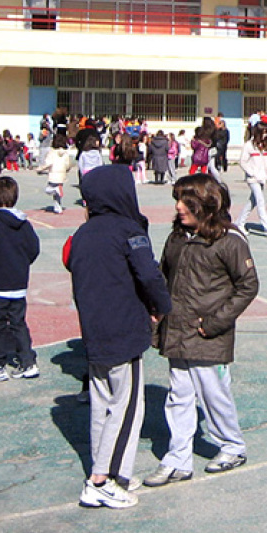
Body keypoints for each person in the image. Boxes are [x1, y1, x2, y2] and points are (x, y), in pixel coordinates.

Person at [65, 165, 171, 510]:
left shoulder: (82, 234)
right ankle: (102, 479)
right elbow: (149, 275)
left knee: (102, 406)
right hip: (123, 329)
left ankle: (114, 469)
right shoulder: (128, 230)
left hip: (93, 331)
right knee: (126, 408)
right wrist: (161, 306)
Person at [143, 174, 260, 487]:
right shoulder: (178, 238)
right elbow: (163, 274)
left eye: (186, 201)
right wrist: (157, 310)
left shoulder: (229, 240)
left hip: (208, 334)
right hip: (177, 331)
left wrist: (214, 322)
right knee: (178, 396)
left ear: (206, 205)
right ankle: (178, 458)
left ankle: (232, 446)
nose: (179, 207)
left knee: (213, 394)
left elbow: (248, 285)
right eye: (177, 200)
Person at [0, 177, 42, 381]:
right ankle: (27, 362)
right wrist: (21, 264)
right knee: (18, 323)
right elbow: (33, 249)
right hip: (19, 283)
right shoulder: (25, 224)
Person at [237, 123, 267, 237]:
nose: (265, 135)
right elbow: (242, 162)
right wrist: (251, 173)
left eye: (266, 132)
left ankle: (239, 223)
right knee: (260, 201)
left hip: (262, 178)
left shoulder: (265, 145)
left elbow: (265, 162)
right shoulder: (249, 145)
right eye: (262, 132)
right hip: (253, 179)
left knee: (252, 202)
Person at [38, 134, 75, 214]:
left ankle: (55, 191)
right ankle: (58, 208)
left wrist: (40, 168)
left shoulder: (52, 152)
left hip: (54, 174)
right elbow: (68, 164)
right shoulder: (65, 153)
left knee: (48, 190)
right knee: (57, 196)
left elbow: (48, 163)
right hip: (62, 175)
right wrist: (66, 170)